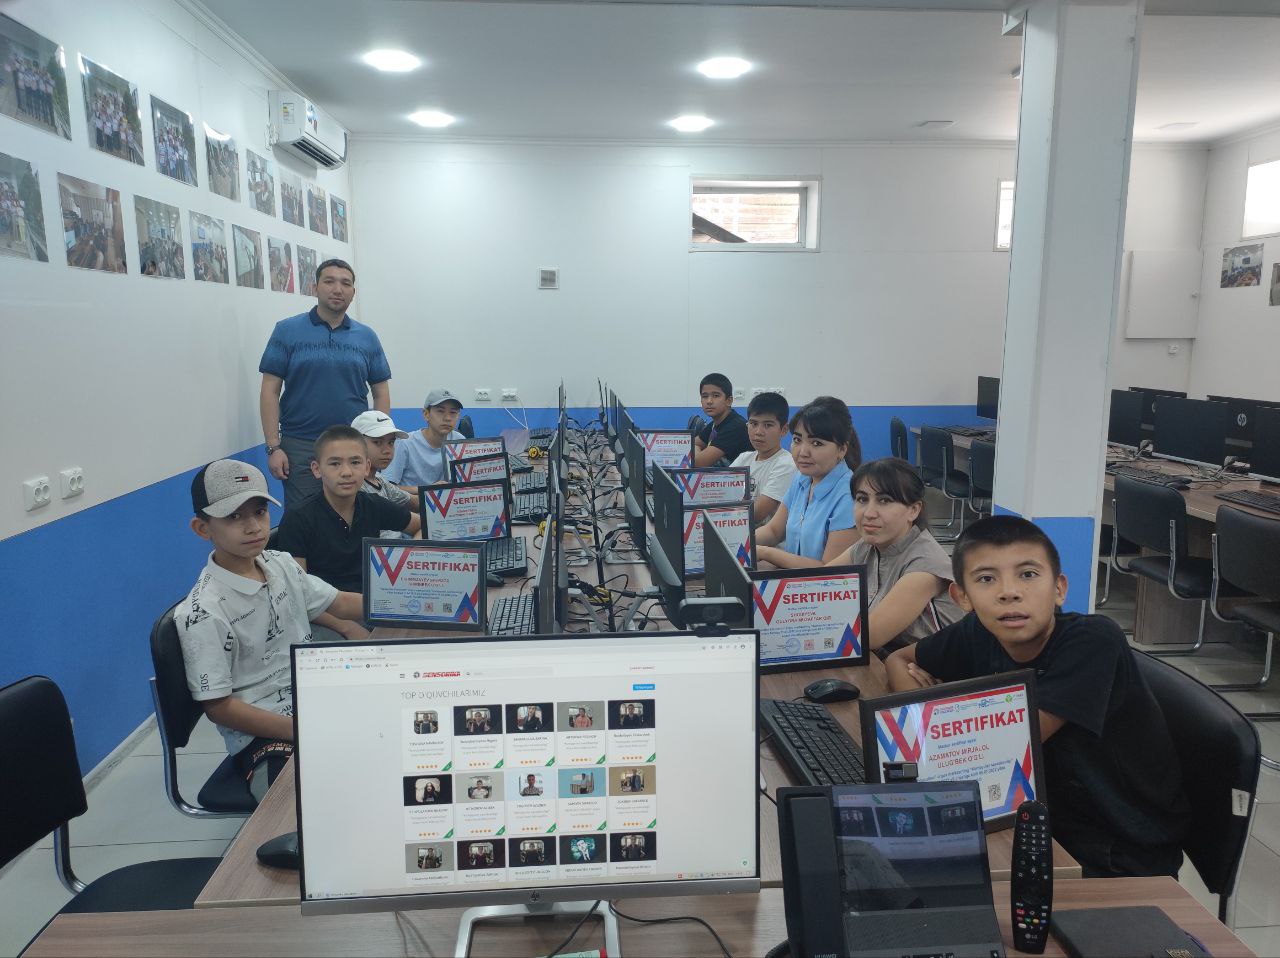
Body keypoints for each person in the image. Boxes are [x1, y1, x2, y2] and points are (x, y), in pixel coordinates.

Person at [885, 516, 1190, 878]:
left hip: (1117, 848)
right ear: (962, 597)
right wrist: (923, 718)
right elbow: (897, 660)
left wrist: (929, 720)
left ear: (1059, 588)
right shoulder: (979, 631)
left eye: (1028, 574)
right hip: (1035, 815)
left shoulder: (1094, 641)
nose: (1009, 592)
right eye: (986, 579)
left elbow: (1007, 747)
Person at [175, 460, 368, 796]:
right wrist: (300, 729)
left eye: (260, 512)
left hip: (313, 698)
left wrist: (410, 601)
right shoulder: (203, 612)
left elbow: (339, 603)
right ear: (202, 528)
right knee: (298, 800)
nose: (253, 527)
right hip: (265, 733)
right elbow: (219, 707)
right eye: (233, 516)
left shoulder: (279, 564)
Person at [259, 259, 392, 509]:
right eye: (329, 281)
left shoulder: (367, 337)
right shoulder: (286, 331)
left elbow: (381, 391)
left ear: (353, 292)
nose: (338, 289)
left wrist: (376, 440)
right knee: (303, 517)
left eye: (346, 283)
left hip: (353, 445)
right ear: (315, 287)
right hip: (300, 447)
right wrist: (273, 447)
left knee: (355, 514)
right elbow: (270, 390)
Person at [274, 426, 419, 637]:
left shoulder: (373, 504)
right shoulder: (298, 517)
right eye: (335, 463)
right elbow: (299, 594)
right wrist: (347, 627)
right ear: (316, 469)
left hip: (375, 604)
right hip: (325, 616)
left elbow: (420, 526)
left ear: (366, 466)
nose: (346, 472)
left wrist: (408, 563)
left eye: (355, 462)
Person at [828, 459, 963, 653]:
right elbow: (814, 585)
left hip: (927, 668)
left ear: (913, 510)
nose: (869, 513)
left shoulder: (926, 565)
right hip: (884, 657)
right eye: (862, 499)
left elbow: (868, 637)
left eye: (884, 501)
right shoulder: (867, 545)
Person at [755, 397, 861, 568]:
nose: (802, 452)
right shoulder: (802, 478)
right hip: (792, 580)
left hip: (821, 584)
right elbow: (773, 531)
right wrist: (738, 542)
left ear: (842, 449)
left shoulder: (850, 495)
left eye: (816, 443)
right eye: (797, 440)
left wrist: (765, 553)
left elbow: (829, 570)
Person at [731, 391, 798, 524]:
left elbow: (756, 514)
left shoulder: (787, 464)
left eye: (768, 425)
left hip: (764, 535)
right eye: (754, 424)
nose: (758, 432)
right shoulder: (744, 458)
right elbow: (722, 494)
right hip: (736, 527)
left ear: (784, 430)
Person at [383, 389, 466, 490]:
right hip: (411, 498)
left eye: (453, 412)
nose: (447, 418)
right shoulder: (405, 443)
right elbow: (386, 487)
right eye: (440, 411)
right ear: (426, 414)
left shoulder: (459, 440)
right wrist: (428, 490)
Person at [351, 410, 419, 515]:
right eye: (377, 442)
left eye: (391, 442)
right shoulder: (352, 485)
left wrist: (443, 493)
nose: (387, 450)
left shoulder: (380, 480)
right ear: (355, 443)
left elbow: (416, 503)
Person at [693, 373, 751, 466]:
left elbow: (699, 462)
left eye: (716, 395)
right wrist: (695, 446)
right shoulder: (715, 423)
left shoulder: (735, 426)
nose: (709, 401)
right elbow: (691, 444)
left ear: (729, 401)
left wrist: (694, 448)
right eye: (705, 396)